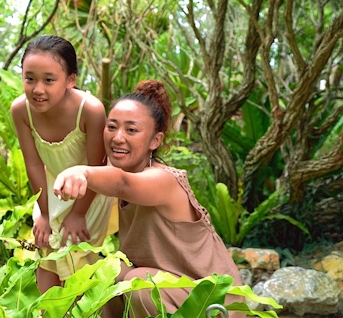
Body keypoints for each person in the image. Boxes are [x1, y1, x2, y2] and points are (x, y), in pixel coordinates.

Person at [52, 80, 244, 317]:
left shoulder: (164, 181)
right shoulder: (125, 180)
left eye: (131, 130)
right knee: (107, 273)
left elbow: (122, 183)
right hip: (172, 291)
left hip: (214, 301)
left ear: (155, 140)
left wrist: (81, 171)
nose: (118, 137)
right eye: (111, 127)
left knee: (139, 282)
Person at [10, 35, 118, 294]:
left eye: (49, 80)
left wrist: (78, 213)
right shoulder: (20, 110)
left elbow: (96, 165)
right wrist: (45, 214)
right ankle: (48, 310)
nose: (38, 89)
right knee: (44, 250)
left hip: (90, 192)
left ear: (71, 80)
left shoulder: (90, 110)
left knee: (75, 256)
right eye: (30, 78)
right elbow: (34, 164)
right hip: (49, 190)